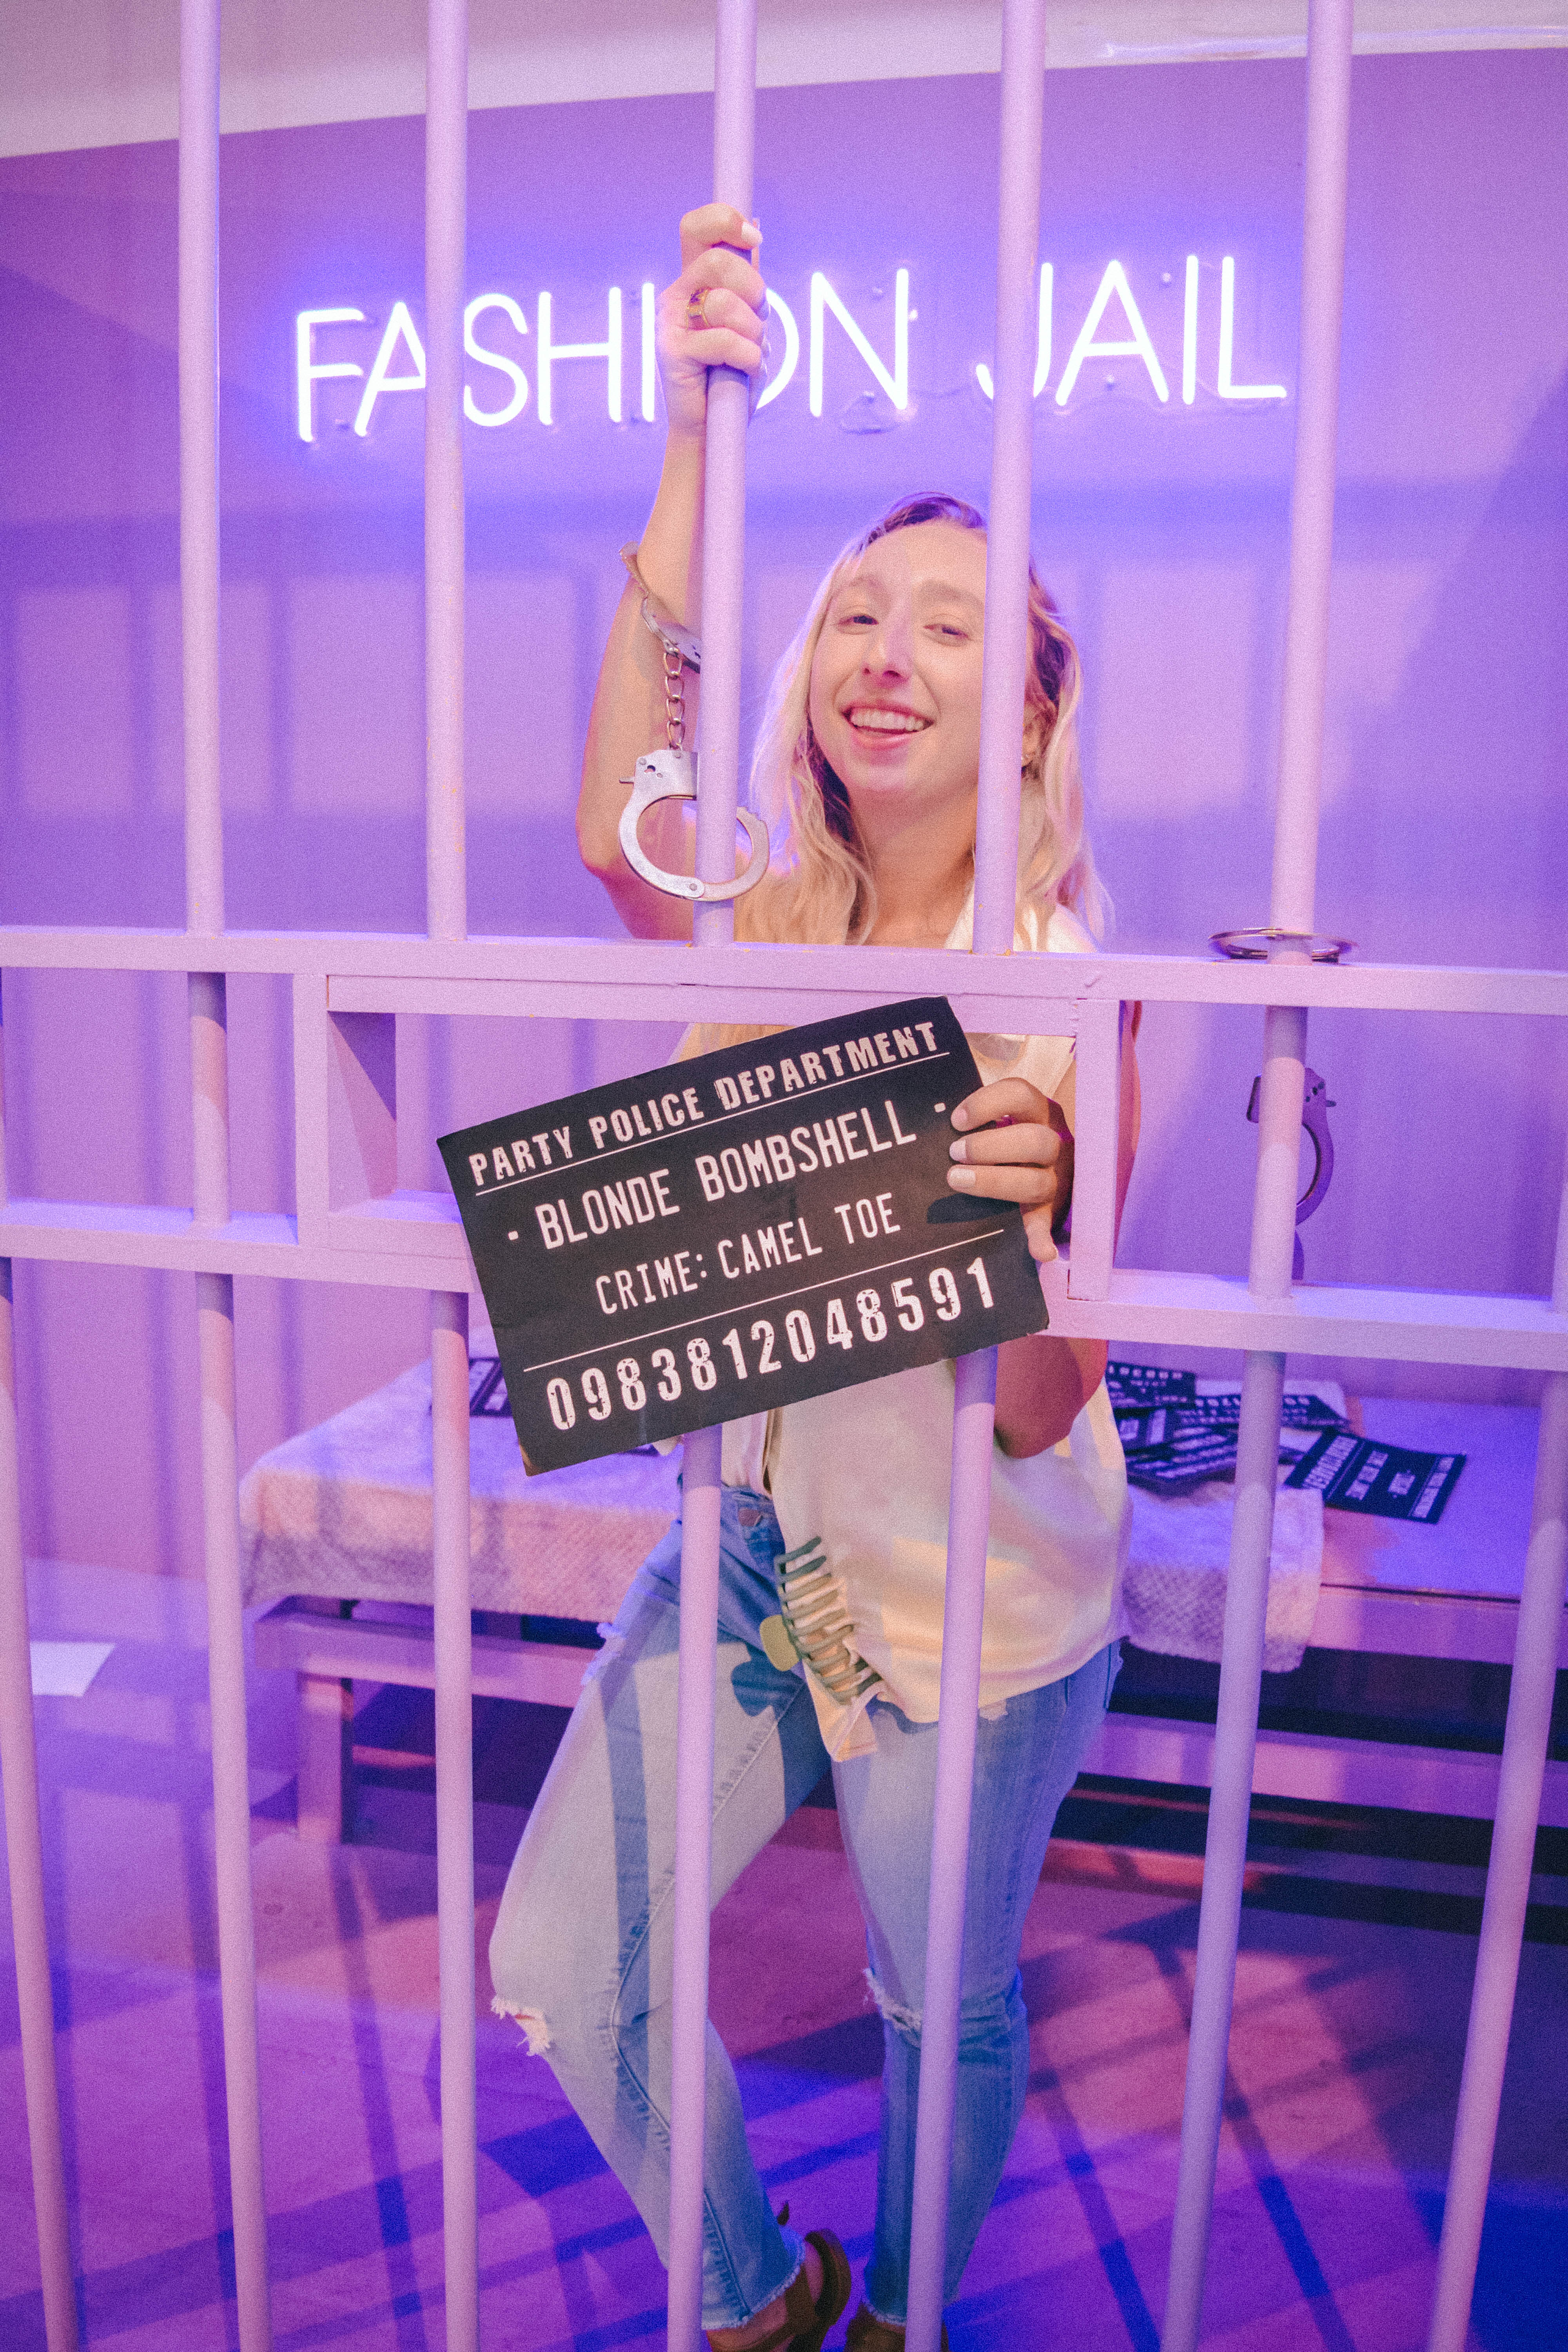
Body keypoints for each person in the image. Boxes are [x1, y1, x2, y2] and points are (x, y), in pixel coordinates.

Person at [489, 205, 1140, 2352]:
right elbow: (618, 832)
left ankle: (907, 2328)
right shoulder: (769, 914)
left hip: (974, 1595)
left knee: (932, 2006)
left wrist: (1020, 1234)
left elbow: (1038, 1409)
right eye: (857, 610)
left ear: (1031, 706)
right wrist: (699, 432)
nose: (886, 649)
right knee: (562, 1967)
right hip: (756, 1542)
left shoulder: (1068, 980)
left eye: (951, 624)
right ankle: (766, 2306)